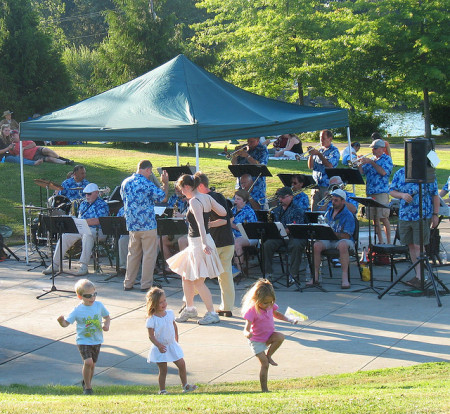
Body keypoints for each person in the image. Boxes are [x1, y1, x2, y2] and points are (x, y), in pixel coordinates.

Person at [166, 174, 226, 325]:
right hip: (198, 243)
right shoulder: (206, 197)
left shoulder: (194, 201)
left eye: (181, 190)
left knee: (198, 281)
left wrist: (204, 243)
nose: (181, 193)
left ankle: (212, 313)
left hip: (200, 243)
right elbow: (223, 212)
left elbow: (200, 224)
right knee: (186, 276)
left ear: (187, 187)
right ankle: (190, 308)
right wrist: (209, 209)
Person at [121, 160, 169, 292]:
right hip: (147, 224)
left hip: (132, 224)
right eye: (150, 172)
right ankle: (146, 284)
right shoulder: (147, 183)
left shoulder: (125, 182)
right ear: (148, 169)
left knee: (133, 254)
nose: (150, 174)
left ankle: (128, 282)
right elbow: (163, 198)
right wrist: (165, 183)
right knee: (149, 255)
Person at [241, 279, 297, 393]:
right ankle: (264, 389)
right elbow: (246, 329)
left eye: (271, 302)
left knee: (280, 337)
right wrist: (247, 333)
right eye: (265, 303)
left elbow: (277, 314)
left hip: (269, 336)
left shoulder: (270, 305)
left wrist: (289, 319)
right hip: (256, 340)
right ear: (256, 300)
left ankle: (269, 355)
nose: (269, 305)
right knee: (265, 365)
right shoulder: (252, 311)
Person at [57, 279, 110, 395]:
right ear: (80, 296)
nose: (92, 298)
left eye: (94, 294)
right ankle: (88, 388)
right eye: (88, 296)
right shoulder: (77, 310)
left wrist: (106, 325)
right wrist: (61, 321)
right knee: (88, 362)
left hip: (96, 340)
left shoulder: (99, 305)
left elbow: (107, 317)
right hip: (83, 341)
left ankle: (86, 382)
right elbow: (66, 323)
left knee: (93, 365)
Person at [43, 183, 110, 276]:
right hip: (82, 228)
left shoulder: (102, 204)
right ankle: (54, 265)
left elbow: (99, 221)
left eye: (89, 194)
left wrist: (83, 222)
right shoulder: (83, 204)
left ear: (96, 193)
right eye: (86, 194)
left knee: (88, 235)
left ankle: (84, 266)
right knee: (65, 236)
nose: (87, 196)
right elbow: (80, 217)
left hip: (98, 231)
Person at [389, 167, 439, 289]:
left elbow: (435, 195)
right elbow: (391, 190)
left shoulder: (428, 173)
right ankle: (418, 275)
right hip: (405, 215)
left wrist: (435, 215)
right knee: (411, 245)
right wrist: (402, 195)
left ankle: (422, 276)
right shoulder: (400, 172)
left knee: (419, 245)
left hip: (422, 215)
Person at [196, 172, 236, 317]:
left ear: (201, 186)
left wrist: (206, 224)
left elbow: (224, 220)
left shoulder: (207, 199)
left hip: (216, 243)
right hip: (228, 242)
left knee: (199, 274)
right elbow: (230, 218)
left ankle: (187, 302)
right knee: (225, 276)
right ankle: (227, 307)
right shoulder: (219, 196)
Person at [145, 287, 197, 395]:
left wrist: (176, 338)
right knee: (163, 370)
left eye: (164, 300)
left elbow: (174, 325)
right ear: (153, 304)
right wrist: (158, 345)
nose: (164, 304)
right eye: (160, 302)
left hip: (171, 344)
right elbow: (151, 336)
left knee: (181, 364)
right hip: (161, 347)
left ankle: (185, 385)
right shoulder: (152, 319)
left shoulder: (169, 313)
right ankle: (162, 390)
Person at [308, 189, 356, 289]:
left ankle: (345, 278)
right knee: (316, 245)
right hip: (330, 239)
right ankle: (315, 276)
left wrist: (331, 233)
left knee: (342, 245)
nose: (333, 202)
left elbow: (346, 236)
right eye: (332, 200)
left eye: (336, 200)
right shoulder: (329, 211)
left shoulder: (348, 215)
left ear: (343, 201)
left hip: (344, 241)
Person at [263, 187, 307, 282]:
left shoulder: (298, 210)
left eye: (283, 197)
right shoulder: (277, 210)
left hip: (295, 236)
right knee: (267, 244)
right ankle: (268, 273)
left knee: (296, 245)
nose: (280, 199)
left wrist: (282, 231)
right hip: (280, 236)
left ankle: (293, 274)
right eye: (279, 197)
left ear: (291, 197)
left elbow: (296, 228)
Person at [358, 139, 393, 244]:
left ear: (382, 149)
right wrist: (359, 163)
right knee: (374, 218)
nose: (373, 150)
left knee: (383, 217)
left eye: (375, 148)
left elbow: (383, 172)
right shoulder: (371, 159)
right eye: (372, 148)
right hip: (370, 192)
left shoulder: (387, 159)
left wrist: (372, 162)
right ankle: (380, 242)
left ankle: (388, 242)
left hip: (381, 192)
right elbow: (362, 172)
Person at [231, 137, 269, 209]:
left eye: (252, 141)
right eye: (248, 141)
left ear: (258, 140)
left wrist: (247, 156)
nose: (249, 143)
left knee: (257, 205)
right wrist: (235, 155)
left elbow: (261, 165)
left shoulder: (263, 150)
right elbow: (234, 164)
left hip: (257, 183)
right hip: (243, 181)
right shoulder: (244, 148)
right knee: (238, 203)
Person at [307, 129, 340, 211]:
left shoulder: (334, 151)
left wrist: (319, 154)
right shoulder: (320, 150)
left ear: (330, 139)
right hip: (316, 184)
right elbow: (311, 167)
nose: (321, 140)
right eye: (320, 138)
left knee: (324, 210)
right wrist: (311, 155)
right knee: (313, 209)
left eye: (323, 138)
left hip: (326, 186)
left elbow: (329, 165)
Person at [230, 189, 258, 273]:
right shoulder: (232, 210)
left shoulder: (249, 212)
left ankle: (239, 270)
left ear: (245, 201)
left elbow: (249, 229)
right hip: (234, 235)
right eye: (235, 198)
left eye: (238, 199)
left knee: (237, 243)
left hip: (249, 236)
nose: (235, 201)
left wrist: (232, 225)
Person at [9, 130, 74, 165]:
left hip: (36, 149)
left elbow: (33, 144)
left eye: (14, 135)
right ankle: (66, 162)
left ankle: (63, 159)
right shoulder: (12, 146)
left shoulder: (23, 139)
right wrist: (19, 153)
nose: (12, 137)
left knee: (47, 150)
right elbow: (15, 156)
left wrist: (24, 148)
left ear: (18, 135)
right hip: (33, 157)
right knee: (49, 159)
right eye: (11, 136)